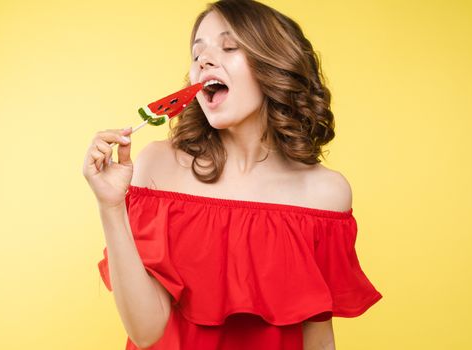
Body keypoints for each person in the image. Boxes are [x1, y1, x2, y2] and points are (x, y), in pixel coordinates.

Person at [82, 0, 383, 349]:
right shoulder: (158, 166)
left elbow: (317, 339)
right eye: (197, 55)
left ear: (274, 63)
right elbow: (145, 331)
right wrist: (111, 207)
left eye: (229, 47)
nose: (205, 61)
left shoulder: (326, 193)